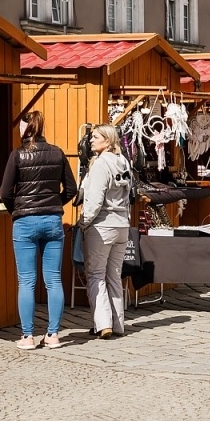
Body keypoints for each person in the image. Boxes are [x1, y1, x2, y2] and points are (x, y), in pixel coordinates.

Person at [0, 110, 77, 349]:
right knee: (53, 279)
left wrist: (18, 210)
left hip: (24, 222)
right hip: (53, 220)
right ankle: (53, 335)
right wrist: (54, 204)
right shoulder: (57, 152)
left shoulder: (17, 155)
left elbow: (5, 193)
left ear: (25, 128)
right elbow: (72, 189)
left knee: (27, 281)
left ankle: (28, 336)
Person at [78, 124, 134, 338]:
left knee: (96, 275)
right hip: (121, 225)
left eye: (95, 137)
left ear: (108, 141)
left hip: (102, 226)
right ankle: (118, 323)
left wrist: (84, 223)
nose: (91, 140)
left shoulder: (101, 164)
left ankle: (103, 324)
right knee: (114, 276)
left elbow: (94, 201)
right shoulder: (123, 162)